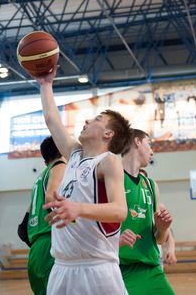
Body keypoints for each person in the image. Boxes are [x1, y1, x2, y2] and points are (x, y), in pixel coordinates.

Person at [36, 65, 132, 295]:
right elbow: (52, 120)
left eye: (97, 119)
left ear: (108, 134)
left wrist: (78, 208)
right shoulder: (74, 154)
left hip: (97, 270)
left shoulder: (108, 161)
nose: (88, 119)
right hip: (61, 268)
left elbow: (120, 211)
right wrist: (46, 84)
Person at [119, 128, 175, 295]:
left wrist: (163, 227)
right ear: (136, 141)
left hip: (151, 269)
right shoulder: (112, 177)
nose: (152, 151)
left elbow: (159, 239)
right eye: (148, 144)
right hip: (118, 268)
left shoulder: (151, 185)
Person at [17, 136, 66, 295]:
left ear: (45, 162)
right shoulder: (60, 166)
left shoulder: (39, 179)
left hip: (36, 252)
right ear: (63, 148)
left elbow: (22, 230)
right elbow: (51, 199)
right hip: (52, 245)